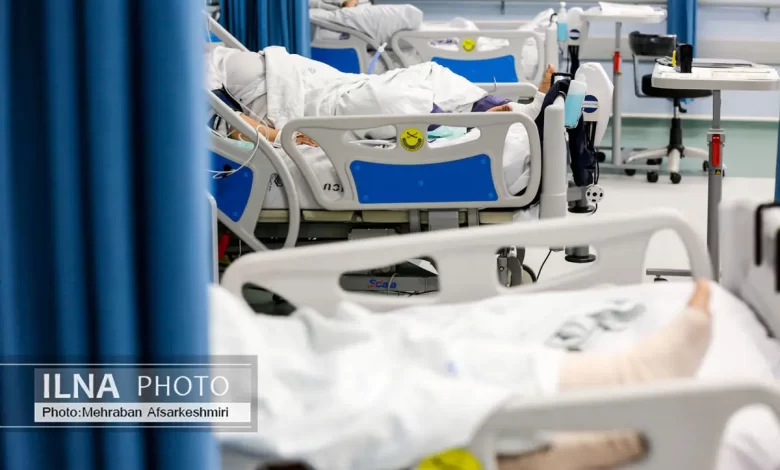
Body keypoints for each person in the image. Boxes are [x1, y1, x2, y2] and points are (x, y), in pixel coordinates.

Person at [211, 280, 713, 470]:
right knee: (301, 391)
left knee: (373, 344)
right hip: (160, 389)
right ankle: (518, 444)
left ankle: (595, 386)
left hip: (185, 337)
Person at [207, 42, 556, 146]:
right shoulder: (194, 88)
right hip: (296, 91)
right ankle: (505, 113)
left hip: (299, 83)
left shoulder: (197, 69)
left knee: (425, 80)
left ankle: (510, 111)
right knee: (400, 98)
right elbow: (232, 127)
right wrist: (284, 136)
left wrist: (280, 135)